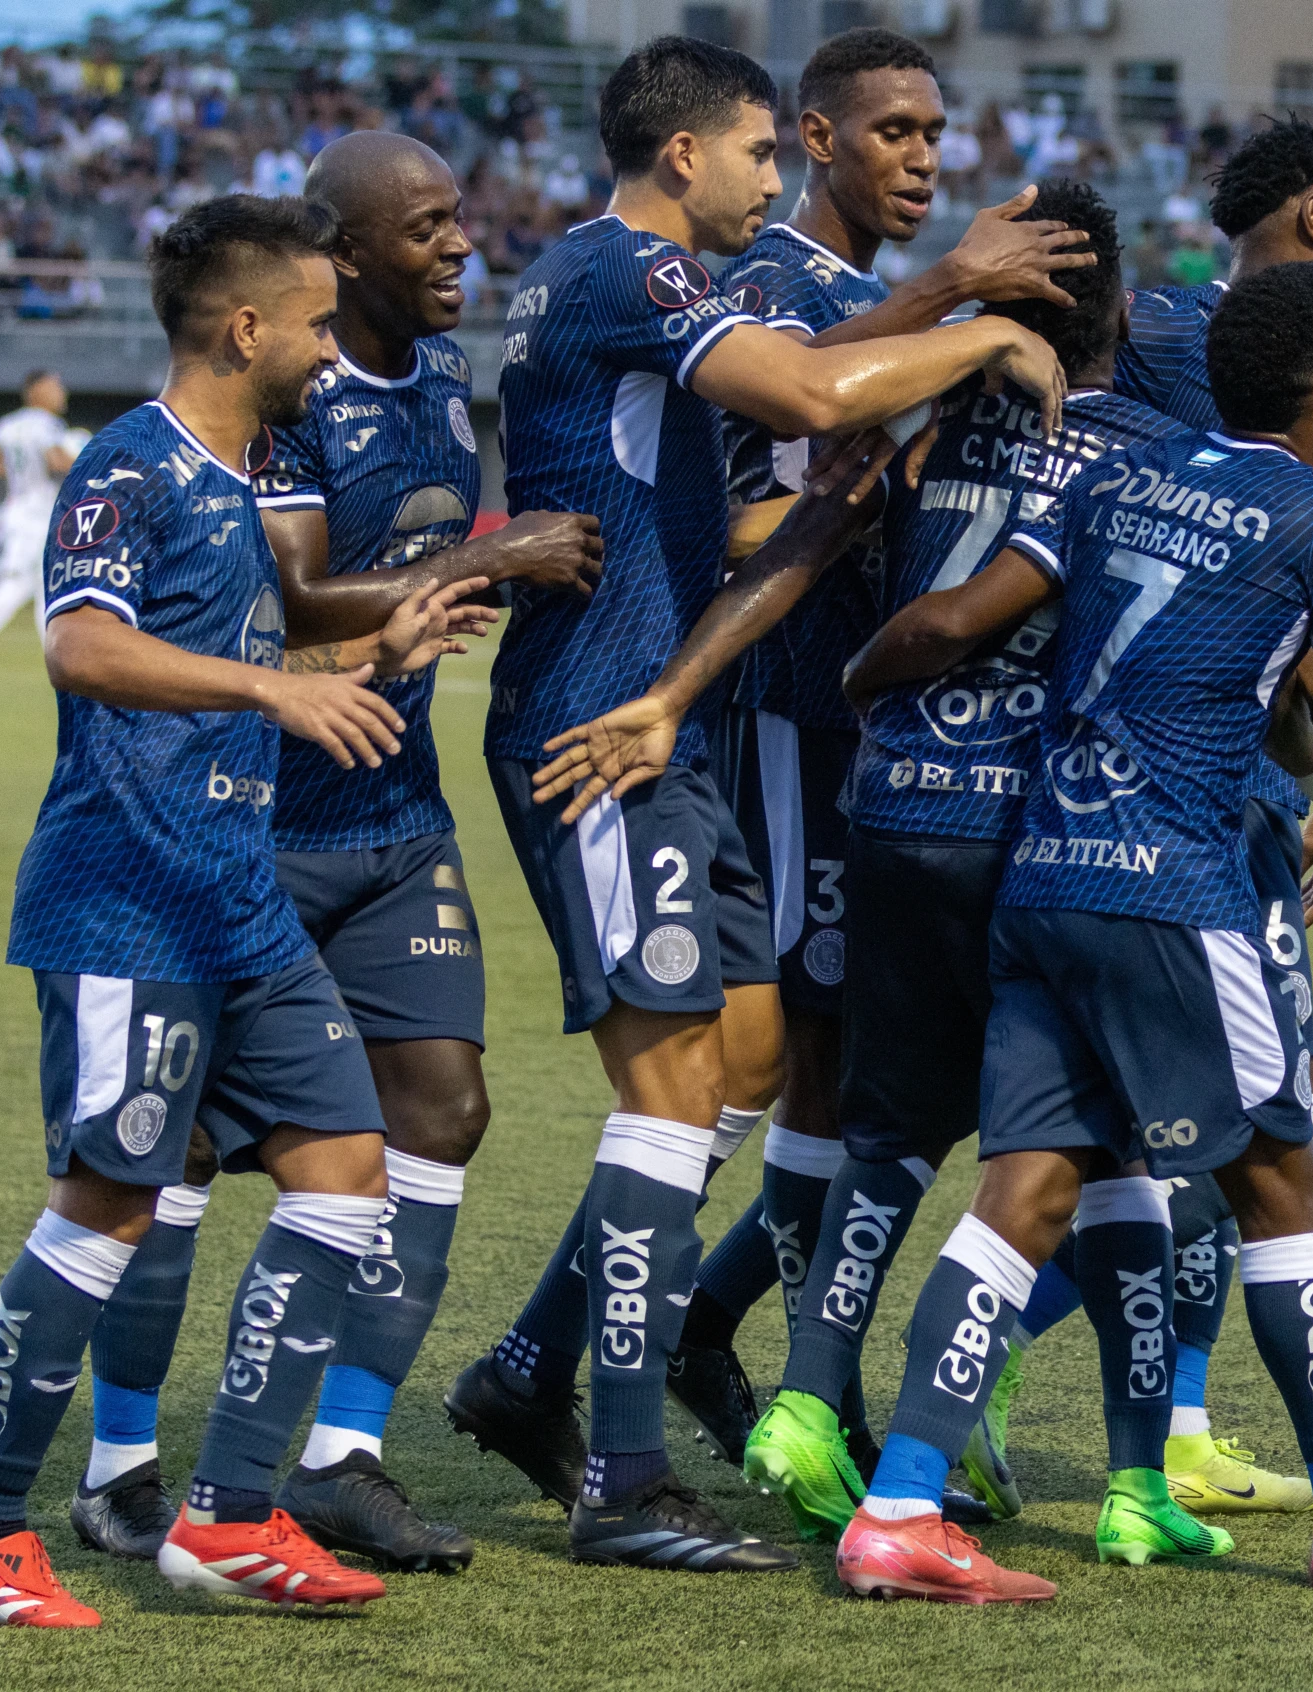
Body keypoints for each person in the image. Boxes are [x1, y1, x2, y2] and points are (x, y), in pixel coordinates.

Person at [432, 34, 1064, 1574]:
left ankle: (534, 1374)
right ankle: (628, 1476)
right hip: (602, 724)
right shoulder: (620, 274)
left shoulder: (639, 283)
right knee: (668, 1096)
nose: (776, 176)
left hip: (672, 721)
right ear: (682, 158)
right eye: (762, 153)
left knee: (752, 1059)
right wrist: (981, 336)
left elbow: (751, 490)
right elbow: (810, 378)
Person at [831, 259, 1313, 1603]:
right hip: (1176, 887)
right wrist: (1309, 665)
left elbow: (967, 616)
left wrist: (856, 687)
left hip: (1044, 874)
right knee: (1282, 1183)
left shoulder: (1104, 482)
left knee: (1020, 1193)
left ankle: (900, 1510)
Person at [0, 194, 486, 1628]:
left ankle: (225, 1516)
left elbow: (258, 632)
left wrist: (373, 637)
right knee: (104, 1205)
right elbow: (84, 646)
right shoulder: (131, 463)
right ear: (245, 328)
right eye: (306, 320)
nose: (322, 342)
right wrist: (273, 687)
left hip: (237, 899)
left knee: (348, 1166)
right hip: (129, 899)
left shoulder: (246, 479)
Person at [710, 181, 1236, 1569]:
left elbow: (810, 494)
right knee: (1101, 1155)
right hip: (1036, 833)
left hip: (887, 807)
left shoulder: (918, 411)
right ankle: (1135, 1485)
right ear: (1124, 310)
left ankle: (810, 1404)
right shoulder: (1142, 453)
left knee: (883, 1128)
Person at [146, 130, 593, 1572]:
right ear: (341, 251)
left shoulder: (447, 382)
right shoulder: (292, 393)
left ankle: (341, 1453)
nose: (462, 241)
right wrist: (491, 559)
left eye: (462, 215)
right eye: (427, 224)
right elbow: (284, 598)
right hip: (261, 817)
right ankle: (118, 1463)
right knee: (188, 1145)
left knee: (442, 1112)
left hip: (398, 818)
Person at [663, 25, 1097, 1476]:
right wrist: (957, 295)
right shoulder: (776, 284)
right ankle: (728, 1363)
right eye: (894, 131)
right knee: (805, 1058)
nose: (922, 156)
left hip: (876, 727)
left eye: (935, 132)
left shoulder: (862, 292)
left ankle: (741, 1348)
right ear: (818, 137)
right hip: (797, 706)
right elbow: (763, 428)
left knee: (845, 1064)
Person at [980, 116, 1313, 1519]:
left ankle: (1185, 1424)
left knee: (1211, 1137)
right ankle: (1014, 1375)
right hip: (1161, 808)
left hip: (1249, 790)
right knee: (1234, 1140)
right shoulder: (1166, 338)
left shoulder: (1309, 355)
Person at [0, 369, 88, 691]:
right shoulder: (48, 426)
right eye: (55, 386)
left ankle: (58, 663)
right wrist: (84, 456)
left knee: (44, 588)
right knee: (20, 584)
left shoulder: (8, 424)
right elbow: (57, 462)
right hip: (38, 516)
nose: (61, 392)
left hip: (18, 509)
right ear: (37, 391)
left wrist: (14, 478)